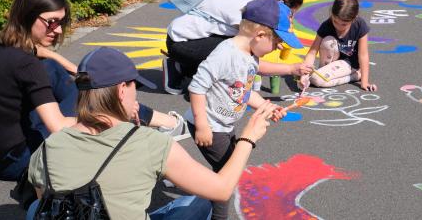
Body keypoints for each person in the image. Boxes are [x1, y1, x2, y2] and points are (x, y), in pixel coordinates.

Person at [26, 46, 278, 220]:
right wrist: (248, 137)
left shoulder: (48, 147)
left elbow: (48, 203)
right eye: (134, 86)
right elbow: (222, 189)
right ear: (121, 90)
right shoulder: (149, 143)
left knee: (35, 206)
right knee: (201, 201)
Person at [0, 0, 185, 183]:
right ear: (27, 16)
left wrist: (78, 72)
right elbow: (59, 127)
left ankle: (159, 120)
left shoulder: (3, 44)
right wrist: (115, 117)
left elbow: (41, 53)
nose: (59, 30)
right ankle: (164, 126)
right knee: (99, 99)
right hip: (17, 161)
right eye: (52, 22)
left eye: (61, 22)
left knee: (58, 71)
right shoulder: (27, 66)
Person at [186, 0, 302, 220]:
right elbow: (197, 86)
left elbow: (243, 90)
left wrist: (267, 106)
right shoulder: (225, 54)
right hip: (210, 125)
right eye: (277, 40)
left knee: (226, 168)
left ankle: (210, 193)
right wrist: (201, 124)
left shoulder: (250, 56)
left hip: (224, 123)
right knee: (227, 178)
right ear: (259, 35)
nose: (279, 46)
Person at [165, 0, 305, 95]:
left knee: (243, 47)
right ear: (279, 4)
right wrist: (290, 69)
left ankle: (186, 67)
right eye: (290, 14)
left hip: (188, 34)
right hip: (182, 43)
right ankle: (184, 68)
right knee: (235, 55)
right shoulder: (248, 10)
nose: (290, 19)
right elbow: (247, 59)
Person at [300, 0, 376, 91]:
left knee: (315, 79)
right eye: (335, 21)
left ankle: (355, 76)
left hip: (350, 64)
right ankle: (325, 71)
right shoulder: (326, 25)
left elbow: (363, 55)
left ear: (354, 18)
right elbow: (312, 52)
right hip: (331, 61)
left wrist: (364, 82)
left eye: (344, 24)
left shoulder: (359, 25)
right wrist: (304, 74)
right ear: (332, 13)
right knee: (328, 41)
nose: (339, 26)